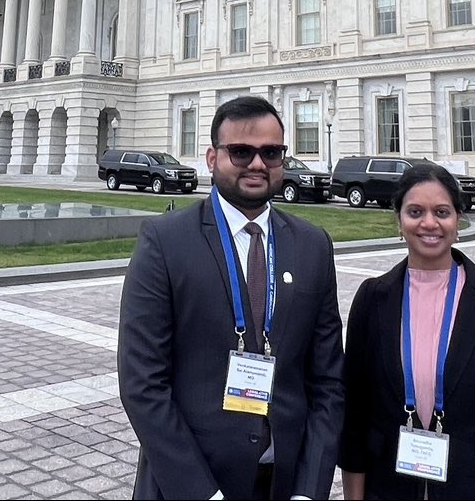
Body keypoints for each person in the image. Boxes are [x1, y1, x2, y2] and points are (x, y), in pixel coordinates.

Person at [118, 95, 344, 500]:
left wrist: (309, 491)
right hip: (191, 483)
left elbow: (328, 381)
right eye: (241, 152)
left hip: (285, 484)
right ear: (211, 157)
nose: (257, 164)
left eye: (271, 153)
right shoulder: (165, 241)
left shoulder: (313, 246)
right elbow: (142, 383)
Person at [340, 163, 475, 501]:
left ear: (458, 221)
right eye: (415, 212)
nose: (429, 223)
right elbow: (355, 415)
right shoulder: (372, 299)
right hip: (391, 487)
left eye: (442, 212)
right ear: (399, 221)